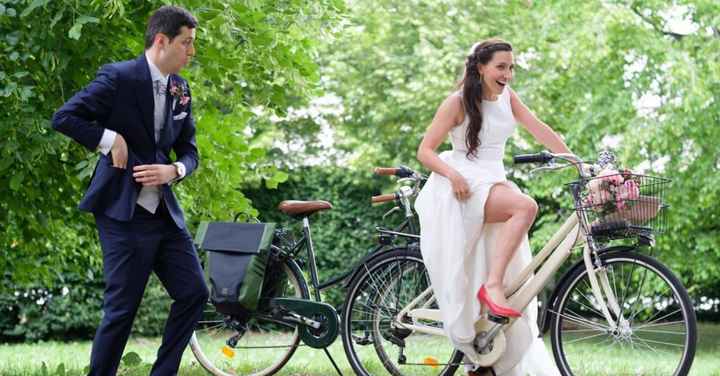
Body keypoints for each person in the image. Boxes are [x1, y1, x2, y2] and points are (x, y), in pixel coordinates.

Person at [52, 6, 209, 375]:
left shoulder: (181, 89)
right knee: (122, 308)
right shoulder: (118, 77)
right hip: (121, 214)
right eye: (186, 43)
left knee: (194, 293)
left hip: (164, 216)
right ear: (161, 41)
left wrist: (175, 169)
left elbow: (190, 150)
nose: (191, 51)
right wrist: (110, 139)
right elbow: (65, 117)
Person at [415, 38, 568, 375]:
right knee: (525, 208)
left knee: (500, 269)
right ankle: (492, 286)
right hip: (465, 182)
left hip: (493, 181)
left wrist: (574, 160)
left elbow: (540, 128)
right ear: (481, 67)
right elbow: (424, 151)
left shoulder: (508, 98)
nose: (508, 74)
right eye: (501, 67)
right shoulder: (457, 102)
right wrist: (452, 174)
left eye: (511, 67)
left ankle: (481, 360)